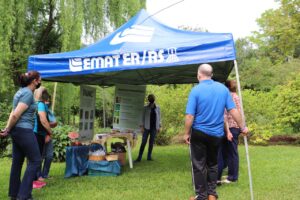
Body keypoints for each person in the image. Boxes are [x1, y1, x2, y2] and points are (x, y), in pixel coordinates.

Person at [184, 64, 248, 200]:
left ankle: (201, 196)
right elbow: (233, 110)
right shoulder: (223, 89)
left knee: (199, 165)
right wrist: (243, 127)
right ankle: (212, 194)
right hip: (216, 134)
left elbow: (190, 116)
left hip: (199, 133)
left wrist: (186, 133)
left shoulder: (195, 90)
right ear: (211, 75)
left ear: (198, 75)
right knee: (213, 164)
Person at [2, 71, 42, 200]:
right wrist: (8, 128)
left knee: (17, 162)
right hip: (24, 131)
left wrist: (8, 129)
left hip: (16, 131)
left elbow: (12, 112)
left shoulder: (19, 92)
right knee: (35, 161)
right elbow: (15, 114)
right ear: (34, 81)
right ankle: (23, 195)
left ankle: (14, 194)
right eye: (39, 79)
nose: (40, 81)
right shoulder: (27, 94)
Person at [217, 80, 242, 184]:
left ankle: (233, 177)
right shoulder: (236, 95)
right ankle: (231, 174)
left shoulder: (229, 96)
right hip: (235, 126)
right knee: (229, 152)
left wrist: (227, 131)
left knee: (232, 153)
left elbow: (226, 115)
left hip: (231, 127)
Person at [33, 87, 53, 185]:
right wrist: (50, 132)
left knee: (38, 156)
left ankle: (37, 177)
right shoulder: (40, 104)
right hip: (37, 133)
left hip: (40, 133)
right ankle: (36, 178)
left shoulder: (39, 104)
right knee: (37, 157)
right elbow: (43, 121)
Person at [135, 94, 161, 162]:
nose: (151, 99)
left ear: (154, 99)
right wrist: (141, 127)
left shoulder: (158, 107)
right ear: (148, 100)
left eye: (152, 98)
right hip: (146, 127)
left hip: (154, 128)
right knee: (143, 142)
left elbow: (159, 117)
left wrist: (159, 126)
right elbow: (142, 117)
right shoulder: (145, 108)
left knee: (151, 142)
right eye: (150, 98)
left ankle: (149, 157)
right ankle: (139, 157)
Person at [41, 95, 57, 179]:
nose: (48, 102)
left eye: (49, 100)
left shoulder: (49, 111)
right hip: (39, 136)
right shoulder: (38, 109)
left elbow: (54, 123)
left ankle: (45, 174)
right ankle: (38, 175)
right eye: (46, 100)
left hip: (48, 135)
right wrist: (47, 123)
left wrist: (47, 124)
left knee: (49, 156)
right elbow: (42, 123)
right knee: (39, 157)